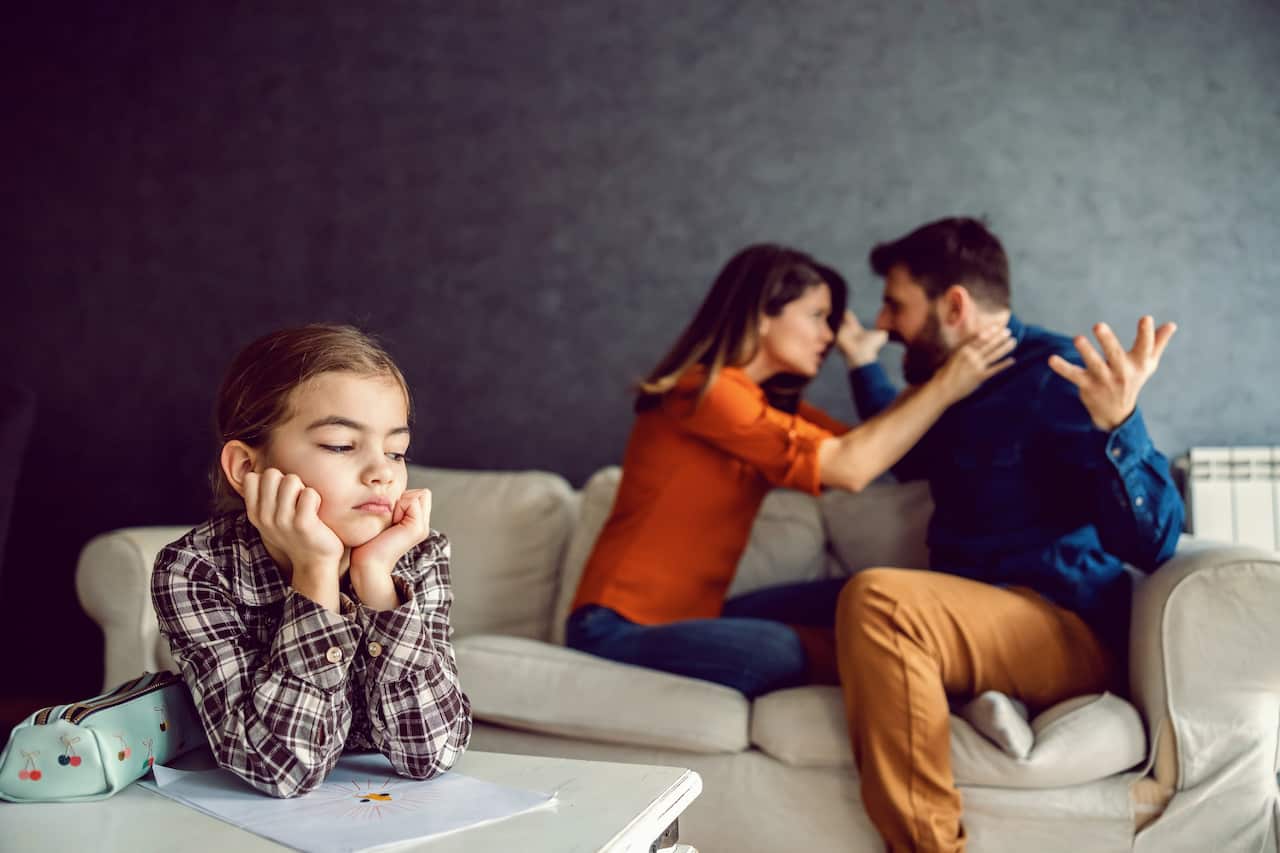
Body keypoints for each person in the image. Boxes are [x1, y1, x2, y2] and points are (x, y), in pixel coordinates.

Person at [833, 217, 1183, 851]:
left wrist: (1121, 425)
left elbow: (1153, 545)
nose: (884, 323)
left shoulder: (1058, 376)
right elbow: (903, 453)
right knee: (783, 617)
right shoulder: (950, 384)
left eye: (896, 304)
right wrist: (862, 366)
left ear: (956, 303)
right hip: (971, 611)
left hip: (1060, 623)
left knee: (879, 601)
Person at [566, 244, 1016, 698]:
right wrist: (944, 386)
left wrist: (864, 362)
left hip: (696, 619)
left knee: (867, 593)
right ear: (762, 315)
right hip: (614, 628)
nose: (828, 336)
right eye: (817, 316)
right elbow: (852, 469)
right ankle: (917, 666)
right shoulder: (703, 392)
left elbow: (881, 448)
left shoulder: (765, 406)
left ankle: (918, 657)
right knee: (779, 648)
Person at [152, 324, 471, 798]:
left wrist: (376, 580)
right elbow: (278, 770)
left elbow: (434, 753)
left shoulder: (417, 555)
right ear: (247, 467)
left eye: (396, 451)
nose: (382, 471)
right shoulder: (195, 570)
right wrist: (316, 571)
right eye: (341, 445)